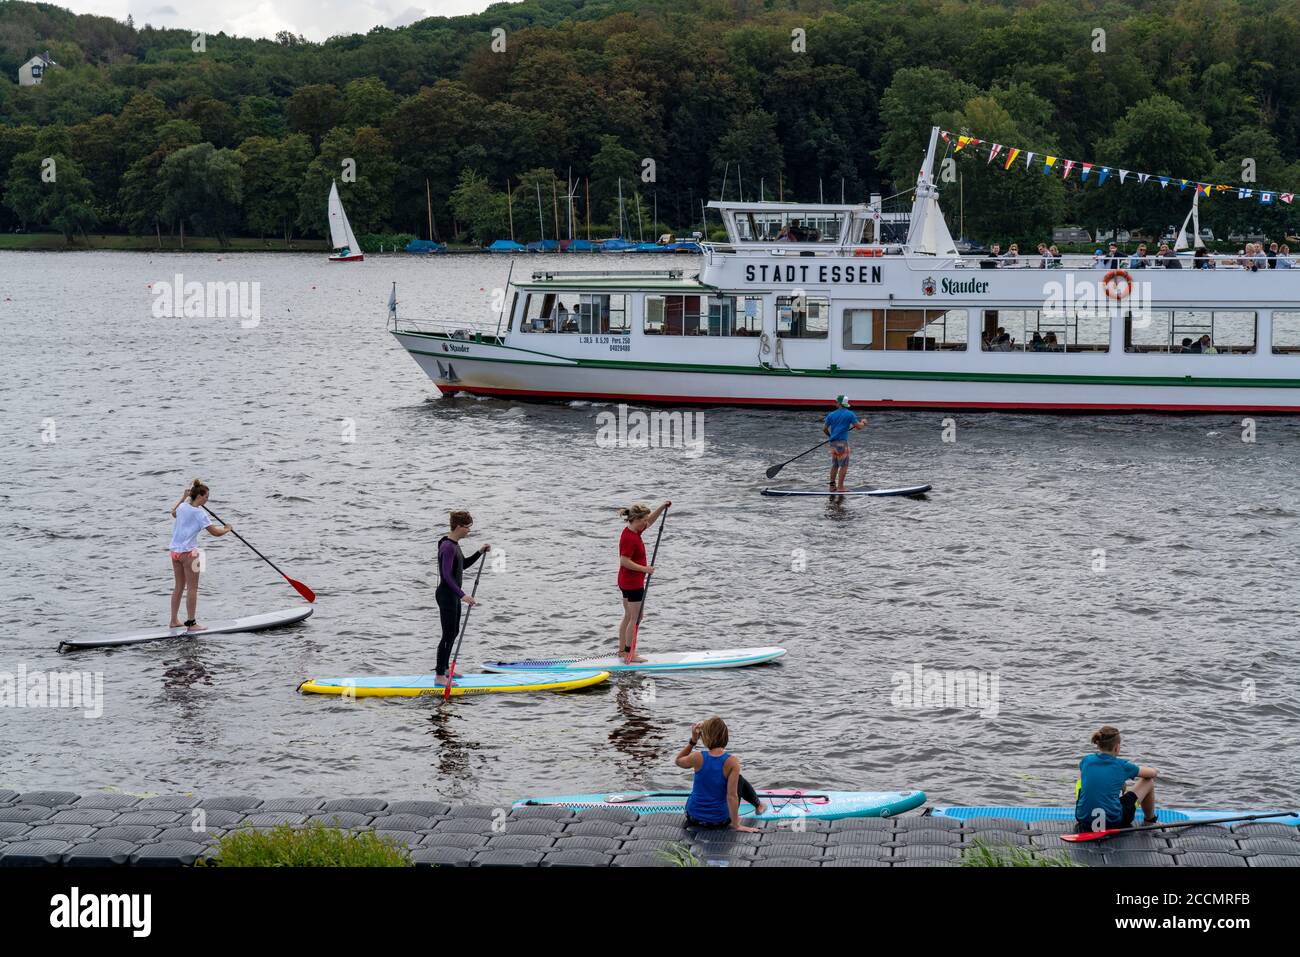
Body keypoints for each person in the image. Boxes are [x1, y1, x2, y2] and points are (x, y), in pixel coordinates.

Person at [676, 717, 765, 831]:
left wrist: (693, 741)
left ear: (704, 737)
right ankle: (759, 805)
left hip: (693, 818)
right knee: (739, 779)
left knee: (700, 787)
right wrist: (737, 825)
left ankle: (759, 805)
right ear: (725, 736)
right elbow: (731, 796)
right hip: (720, 821)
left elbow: (678, 760)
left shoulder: (697, 757)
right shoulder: (732, 761)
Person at [167, 479, 232, 630]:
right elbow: (215, 533)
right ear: (200, 497)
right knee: (192, 588)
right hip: (191, 554)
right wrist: (227, 529)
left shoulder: (183, 506)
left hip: (175, 553)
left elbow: (173, 513)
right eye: (206, 497)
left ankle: (174, 620)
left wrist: (183, 497)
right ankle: (192, 623)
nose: (207, 499)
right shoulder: (200, 513)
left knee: (178, 587)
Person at [435, 510, 490, 683]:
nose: (469, 531)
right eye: (467, 527)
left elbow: (462, 565)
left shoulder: (454, 544)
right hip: (446, 595)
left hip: (453, 595)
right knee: (448, 634)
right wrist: (463, 595)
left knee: (454, 632)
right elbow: (446, 575)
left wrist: (480, 552)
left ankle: (445, 669)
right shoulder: (447, 547)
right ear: (458, 526)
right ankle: (439, 676)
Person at [1075, 725, 1158, 832]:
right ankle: (1150, 821)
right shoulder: (1122, 766)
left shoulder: (1086, 760)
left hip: (1083, 819)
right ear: (1117, 748)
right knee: (1148, 782)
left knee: (1082, 773)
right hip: (1113, 822)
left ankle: (1085, 807)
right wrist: (1155, 770)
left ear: (1098, 745)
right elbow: (1151, 774)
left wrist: (1121, 781)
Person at [617, 500, 669, 662]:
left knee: (629, 615)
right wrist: (644, 569)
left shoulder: (633, 531)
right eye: (644, 520)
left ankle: (622, 651)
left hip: (625, 580)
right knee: (636, 617)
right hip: (633, 583)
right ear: (636, 519)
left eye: (646, 520)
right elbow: (624, 561)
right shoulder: (629, 538)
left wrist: (662, 507)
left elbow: (651, 520)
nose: (646, 523)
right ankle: (630, 654)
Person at [824, 395, 866, 491]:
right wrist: (863, 422)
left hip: (833, 443)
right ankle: (840, 487)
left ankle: (832, 486)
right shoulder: (850, 414)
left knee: (835, 465)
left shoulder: (831, 414)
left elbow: (825, 429)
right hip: (842, 443)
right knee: (844, 465)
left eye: (836, 402)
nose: (835, 404)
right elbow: (859, 427)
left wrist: (831, 437)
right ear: (845, 404)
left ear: (839, 403)